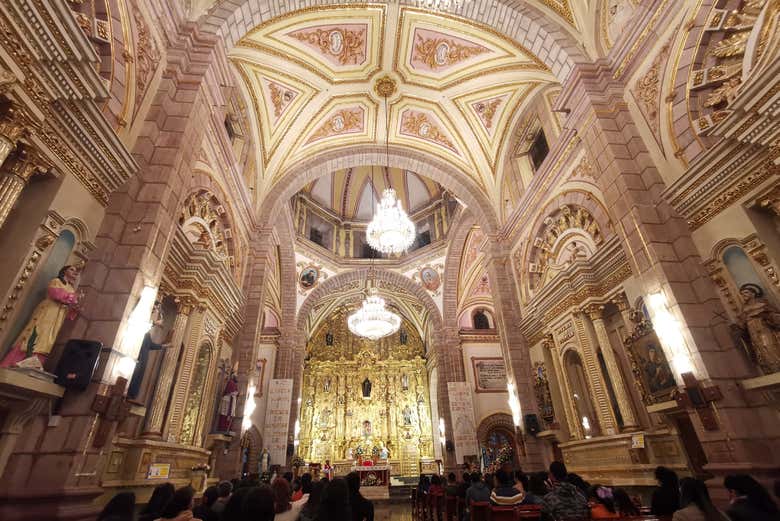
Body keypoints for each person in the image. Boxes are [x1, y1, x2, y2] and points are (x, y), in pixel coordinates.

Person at [1, 265, 81, 368]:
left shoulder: (70, 288)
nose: (74, 272)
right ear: (64, 271)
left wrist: (74, 309)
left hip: (58, 316)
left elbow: (69, 306)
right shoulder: (56, 281)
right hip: (48, 312)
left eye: (75, 271)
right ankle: (17, 362)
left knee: (48, 341)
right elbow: (56, 295)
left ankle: (34, 364)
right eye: (71, 269)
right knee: (38, 334)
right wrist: (73, 297)